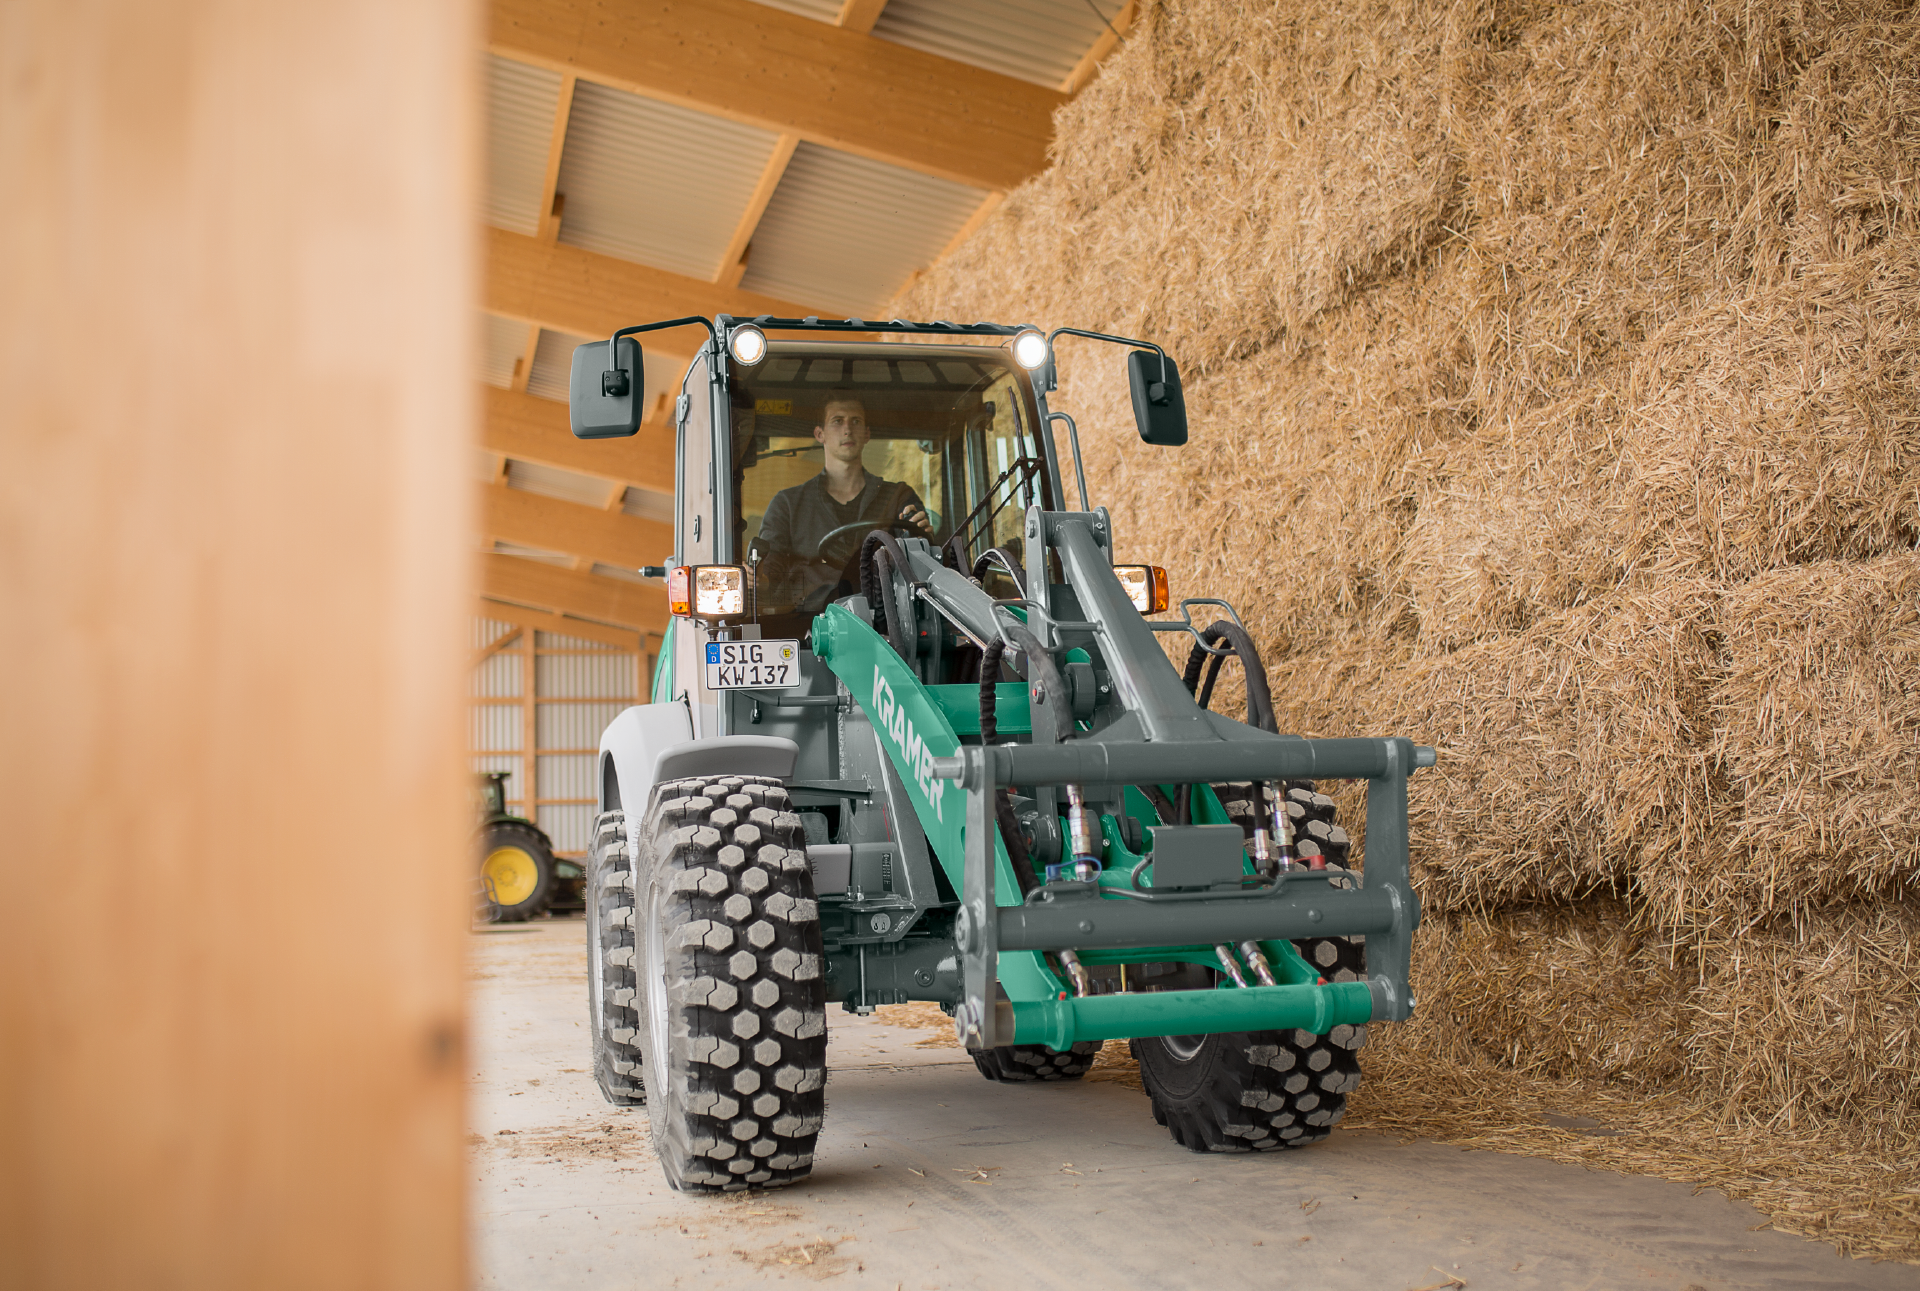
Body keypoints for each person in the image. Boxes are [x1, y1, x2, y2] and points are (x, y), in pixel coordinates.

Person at [753, 392, 930, 609]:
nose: (847, 429)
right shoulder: (787, 505)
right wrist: (759, 579)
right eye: (837, 421)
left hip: (887, 625)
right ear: (820, 434)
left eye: (855, 421)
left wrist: (923, 535)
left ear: (866, 434)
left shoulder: (899, 497)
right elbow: (771, 572)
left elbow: (924, 560)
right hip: (810, 626)